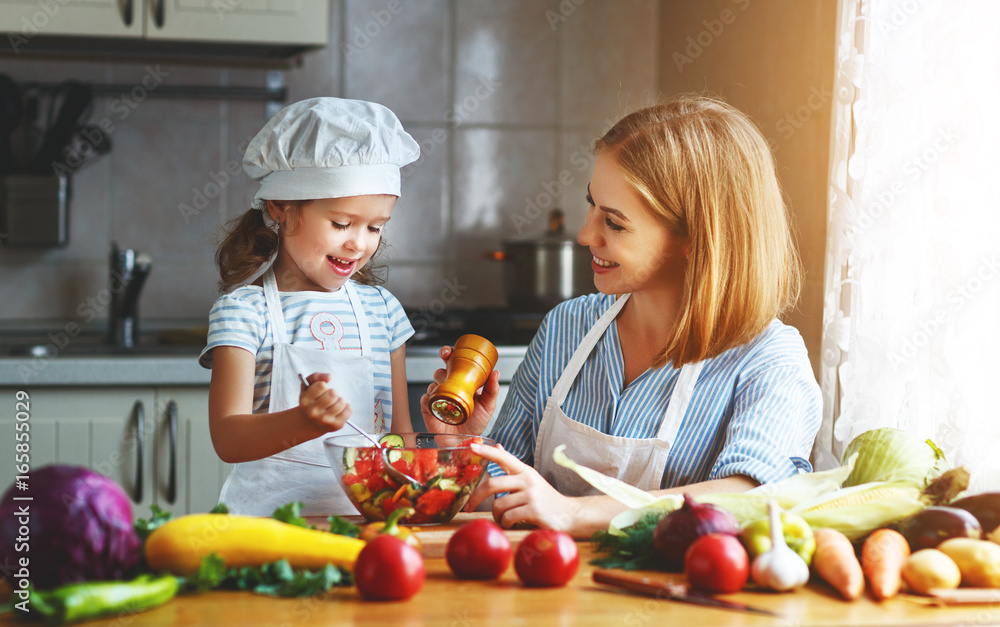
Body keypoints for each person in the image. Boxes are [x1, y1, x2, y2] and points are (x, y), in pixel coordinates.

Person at [421, 94, 823, 538]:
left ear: (694, 236)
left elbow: (753, 500)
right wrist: (461, 441)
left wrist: (574, 513)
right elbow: (502, 498)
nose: (585, 233)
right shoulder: (565, 329)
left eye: (614, 222)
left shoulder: (768, 359)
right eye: (591, 205)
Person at [200, 97, 420, 516]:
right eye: (341, 224)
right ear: (281, 207)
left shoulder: (383, 312)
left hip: (365, 526)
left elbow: (399, 438)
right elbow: (228, 439)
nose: (359, 243)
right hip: (266, 530)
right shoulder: (244, 312)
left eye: (375, 227)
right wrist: (303, 423)